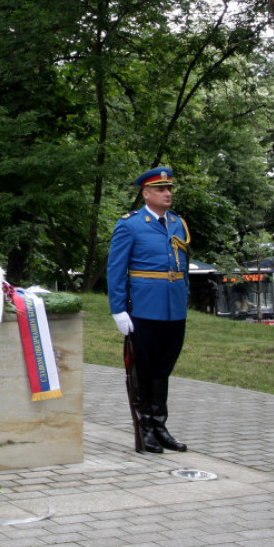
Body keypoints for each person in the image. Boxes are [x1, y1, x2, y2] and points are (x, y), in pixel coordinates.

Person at [107, 166, 190, 454]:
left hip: (173, 309)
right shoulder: (131, 224)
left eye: (169, 189)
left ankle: (160, 425)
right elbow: (116, 269)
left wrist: (184, 299)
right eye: (160, 189)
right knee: (144, 369)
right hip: (144, 309)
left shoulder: (177, 223)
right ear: (146, 193)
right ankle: (145, 429)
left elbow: (182, 268)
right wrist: (118, 310)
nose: (167, 193)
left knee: (164, 368)